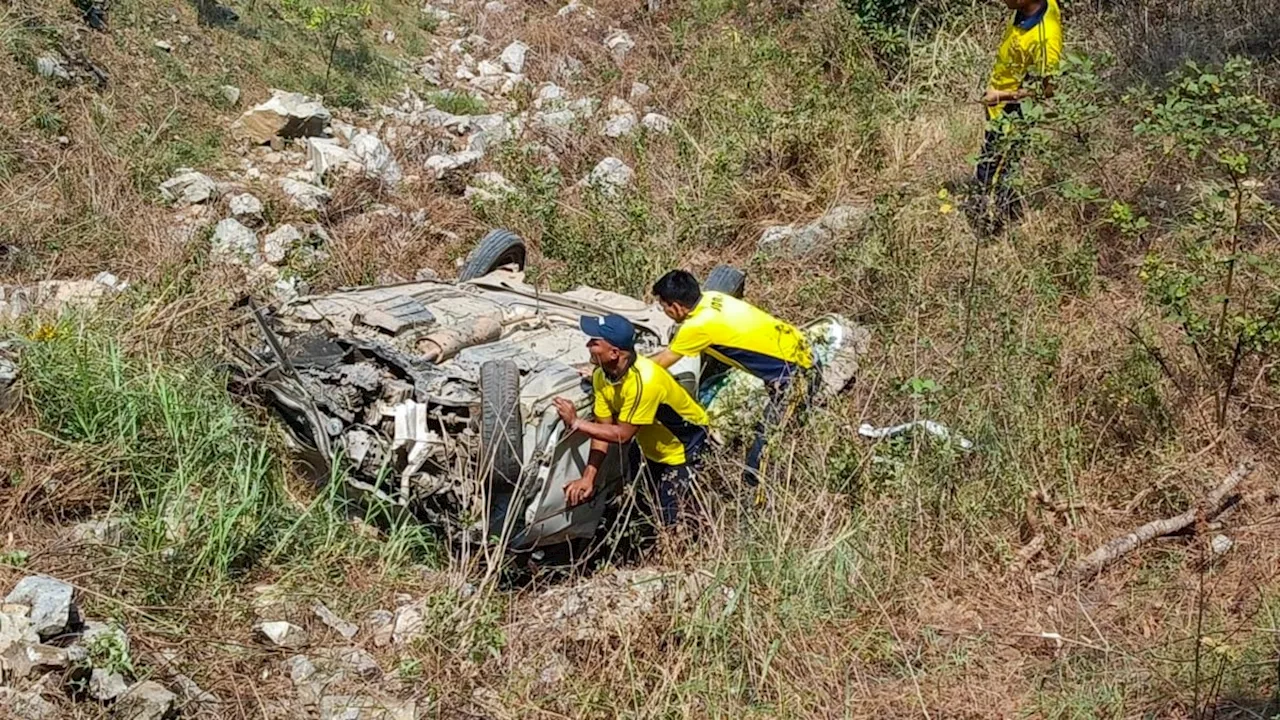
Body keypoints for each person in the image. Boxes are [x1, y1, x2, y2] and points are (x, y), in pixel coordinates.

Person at [648, 270, 817, 486]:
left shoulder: (697, 327)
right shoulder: (713, 298)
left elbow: (661, 361)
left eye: (665, 307)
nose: (666, 313)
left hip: (795, 375)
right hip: (801, 351)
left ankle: (757, 498)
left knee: (765, 445)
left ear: (676, 305)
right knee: (785, 431)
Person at [552, 313, 710, 530]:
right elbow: (603, 430)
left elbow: (622, 435)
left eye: (594, 342)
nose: (587, 345)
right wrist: (588, 477)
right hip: (651, 448)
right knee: (644, 510)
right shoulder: (602, 375)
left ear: (614, 353)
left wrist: (576, 423)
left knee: (674, 521)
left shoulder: (644, 382)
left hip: (684, 449)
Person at [972, 0, 1063, 226]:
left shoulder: (1045, 37)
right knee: (994, 166)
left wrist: (999, 96)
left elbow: (1046, 91)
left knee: (993, 170)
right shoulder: (1026, 10)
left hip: (1012, 111)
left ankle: (992, 227)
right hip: (997, 105)